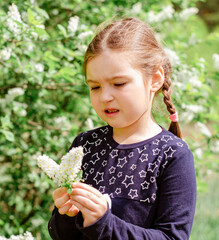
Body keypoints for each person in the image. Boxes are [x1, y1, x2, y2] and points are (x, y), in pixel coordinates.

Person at [48, 17, 196, 240]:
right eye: (95, 87)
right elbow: (61, 235)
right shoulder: (85, 146)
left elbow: (172, 237)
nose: (105, 96)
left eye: (119, 84)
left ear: (155, 79)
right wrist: (65, 214)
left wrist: (104, 224)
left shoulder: (172, 155)